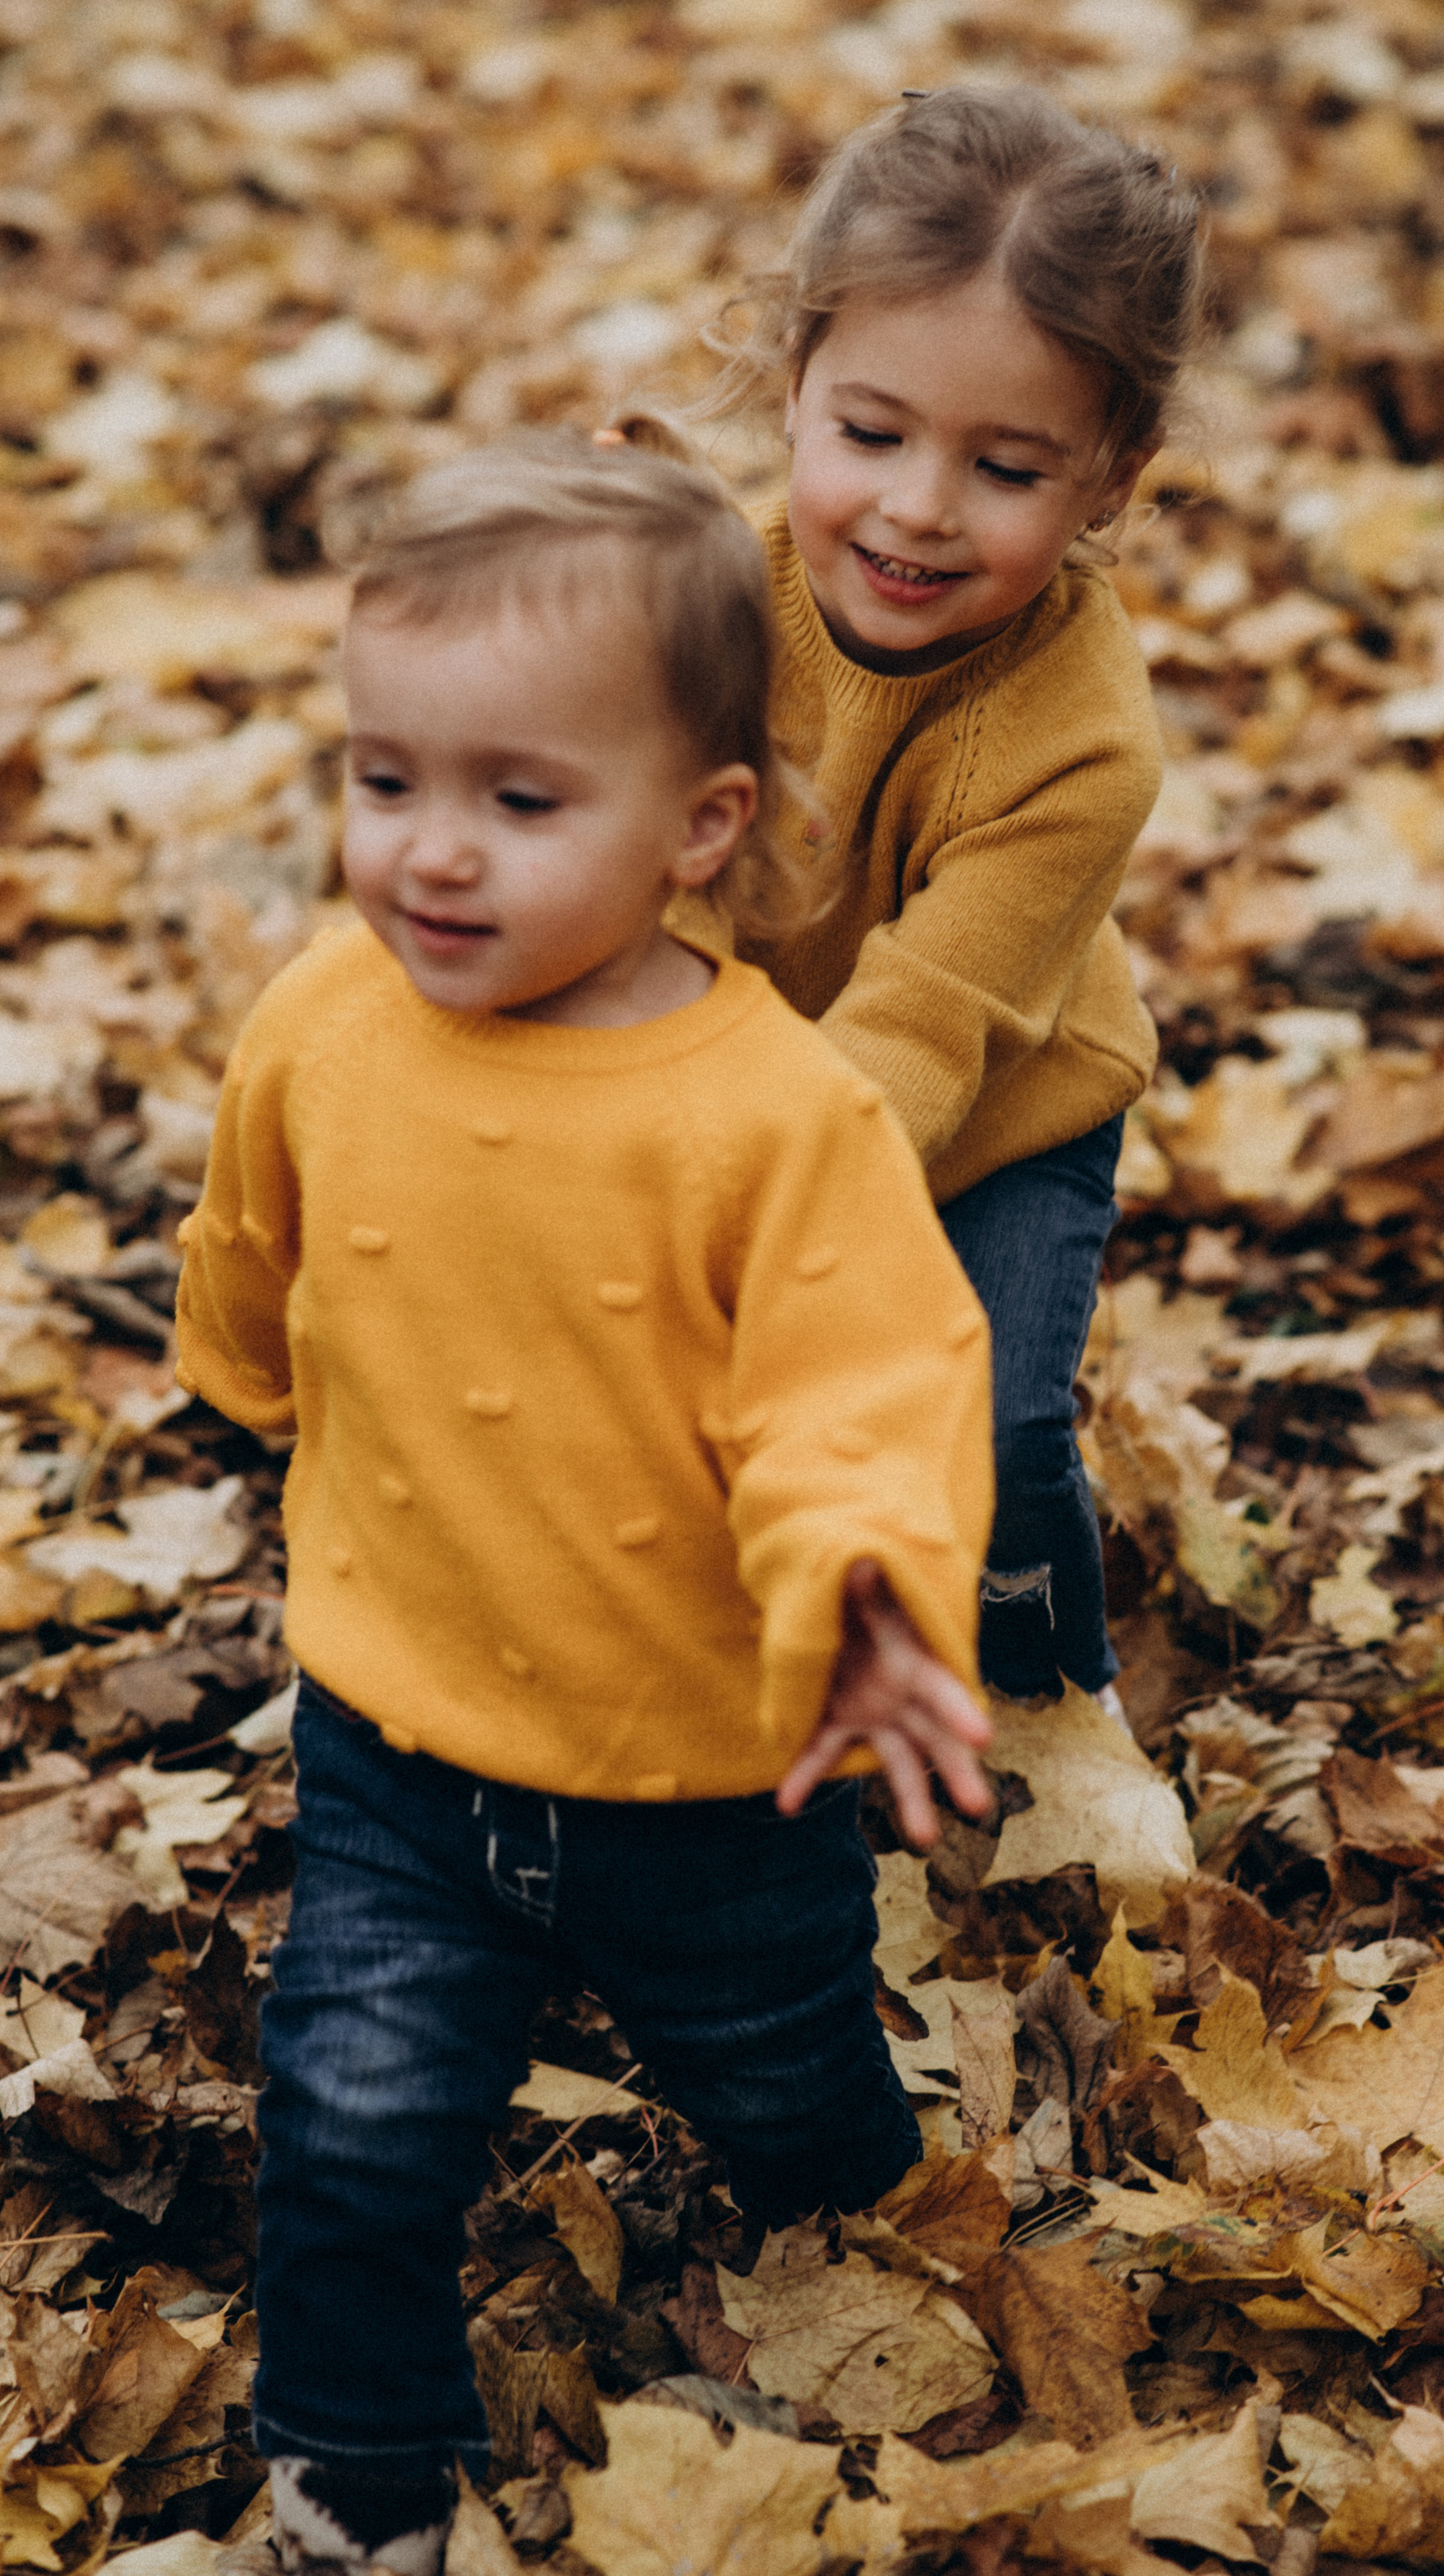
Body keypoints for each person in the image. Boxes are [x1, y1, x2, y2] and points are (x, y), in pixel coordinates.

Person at [175, 429, 997, 2576]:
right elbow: (257, 1242)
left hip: (715, 1762)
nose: (431, 857)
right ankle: (356, 2474)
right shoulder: (322, 1025)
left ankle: (867, 2255)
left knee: (787, 2076)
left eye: (521, 804)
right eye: (384, 780)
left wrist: (867, 1587)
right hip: (404, 1734)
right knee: (351, 2125)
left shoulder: (768, 1118)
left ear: (700, 827)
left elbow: (865, 1390)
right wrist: (244, 1380)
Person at [702, 86, 1202, 1707]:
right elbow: (633, 885)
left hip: (995, 1102)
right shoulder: (696, 605)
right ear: (794, 390)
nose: (918, 507)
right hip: (738, 1081)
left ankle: (1047, 1690)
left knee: (978, 1413)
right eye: (870, 433)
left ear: (1107, 478)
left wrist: (752, 1216)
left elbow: (921, 1033)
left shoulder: (1076, 742)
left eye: (1002, 466)